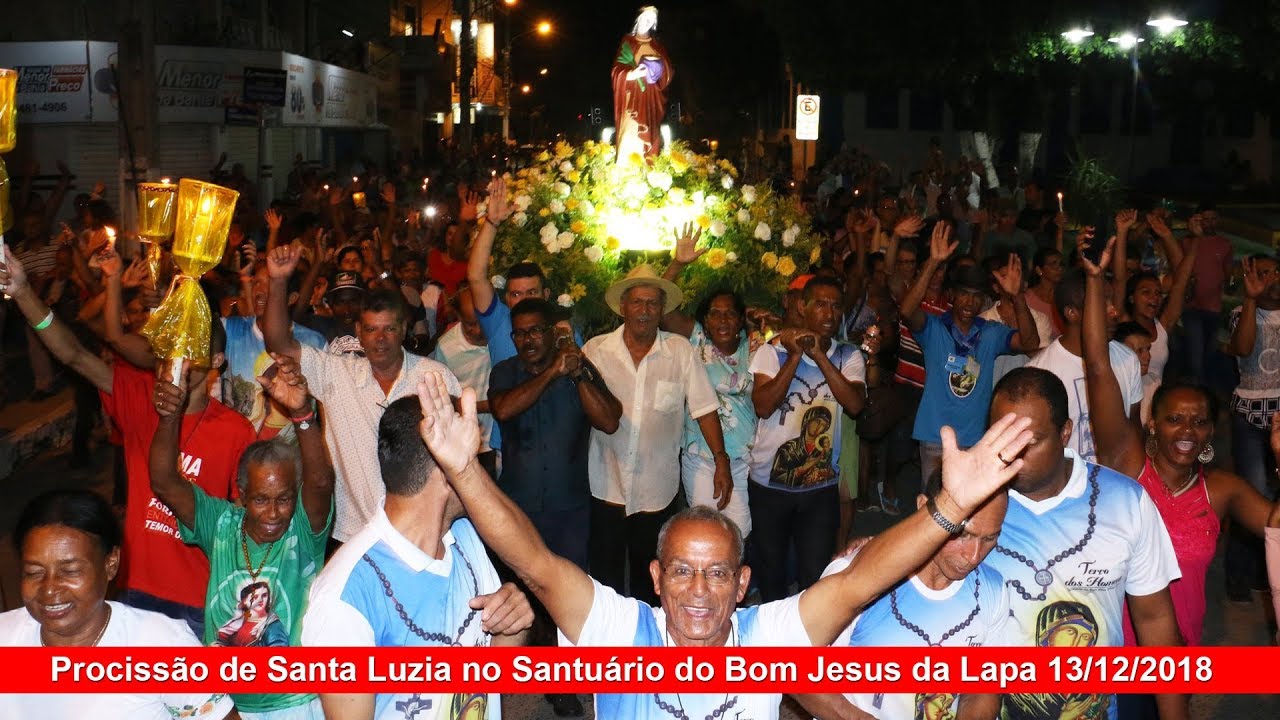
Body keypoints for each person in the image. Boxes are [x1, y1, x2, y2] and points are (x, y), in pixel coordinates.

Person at [410, 368, 1032, 720]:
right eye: (681, 571)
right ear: (654, 578)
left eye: (717, 575)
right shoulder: (620, 631)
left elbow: (858, 583)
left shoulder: (769, 640)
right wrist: (464, 473)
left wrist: (950, 510)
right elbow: (538, 566)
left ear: (742, 583)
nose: (699, 592)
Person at [0, 248, 253, 637]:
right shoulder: (140, 398)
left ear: (217, 360)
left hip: (200, 599)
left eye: (193, 353)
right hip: (134, 591)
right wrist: (22, 293)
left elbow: (243, 524)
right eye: (172, 349)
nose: (180, 362)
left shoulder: (236, 431)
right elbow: (74, 353)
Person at [1080, 237, 1280, 654]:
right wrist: (1096, 282)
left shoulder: (1221, 490)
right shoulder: (1127, 464)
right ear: (1152, 423)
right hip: (1113, 652)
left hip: (1180, 651)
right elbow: (1099, 368)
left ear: (1211, 432)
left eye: (1199, 421)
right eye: (1174, 419)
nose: (1187, 430)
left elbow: (1275, 526)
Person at [301, 395, 533, 719]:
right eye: (471, 460)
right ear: (445, 468)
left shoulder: (466, 536)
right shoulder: (345, 599)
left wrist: (513, 626)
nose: (482, 472)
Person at [984, 367, 1186, 720]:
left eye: (1029, 442)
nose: (1011, 456)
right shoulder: (971, 500)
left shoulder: (1125, 502)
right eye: (1002, 439)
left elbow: (1155, 621)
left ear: (1065, 433)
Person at [151, 352, 332, 718]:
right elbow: (164, 482)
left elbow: (322, 481)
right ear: (242, 494)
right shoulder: (221, 523)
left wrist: (303, 415)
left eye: (284, 499)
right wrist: (171, 417)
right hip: (225, 705)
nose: (274, 512)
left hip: (295, 704)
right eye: (261, 500)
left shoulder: (301, 527)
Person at [263, 243, 461, 544]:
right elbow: (279, 343)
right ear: (358, 330)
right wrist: (277, 282)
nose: (379, 339)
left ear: (404, 329)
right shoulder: (337, 373)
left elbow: (459, 459)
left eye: (389, 329)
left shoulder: (435, 378)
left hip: (422, 534)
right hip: (351, 534)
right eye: (370, 330)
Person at [488, 297, 622, 718]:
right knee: (517, 595)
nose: (527, 340)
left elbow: (610, 420)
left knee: (564, 597)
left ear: (552, 332)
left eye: (535, 331)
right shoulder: (504, 372)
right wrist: (551, 373)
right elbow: (504, 409)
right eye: (520, 333)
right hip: (517, 510)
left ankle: (562, 681)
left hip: (568, 508)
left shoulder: (577, 368)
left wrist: (577, 371)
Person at [794, 470, 1012, 720]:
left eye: (989, 538)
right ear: (923, 508)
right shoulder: (859, 578)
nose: (973, 556)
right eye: (962, 534)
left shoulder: (992, 590)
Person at [0, 490, 235, 720]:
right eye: (34, 572)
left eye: (70, 571)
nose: (49, 589)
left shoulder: (162, 648)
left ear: (111, 563)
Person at [582, 264, 731, 605]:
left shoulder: (679, 352)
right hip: (606, 485)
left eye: (652, 304)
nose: (644, 311)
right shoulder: (596, 351)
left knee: (649, 583)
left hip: (656, 491)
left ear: (662, 310)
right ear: (623, 307)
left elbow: (705, 408)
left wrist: (721, 460)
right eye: (637, 303)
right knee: (603, 583)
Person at [749, 275, 867, 600]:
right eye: (820, 304)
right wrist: (797, 355)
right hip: (768, 485)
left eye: (836, 306)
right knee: (771, 573)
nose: (829, 313)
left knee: (813, 577)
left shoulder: (848, 356)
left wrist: (821, 357)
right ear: (802, 306)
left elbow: (855, 405)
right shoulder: (772, 352)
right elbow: (763, 405)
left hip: (820, 489)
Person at [902, 224, 1038, 485]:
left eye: (977, 297)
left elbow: (1030, 342)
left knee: (968, 512)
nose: (970, 303)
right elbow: (907, 311)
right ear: (952, 295)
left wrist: (1017, 296)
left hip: (976, 439)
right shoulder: (934, 327)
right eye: (964, 294)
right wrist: (933, 262)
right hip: (934, 436)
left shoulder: (991, 332)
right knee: (934, 509)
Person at [661, 226, 757, 538]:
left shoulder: (754, 346)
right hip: (702, 455)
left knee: (740, 533)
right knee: (706, 532)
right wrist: (678, 264)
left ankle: (733, 587)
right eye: (715, 314)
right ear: (705, 320)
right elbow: (659, 308)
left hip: (745, 455)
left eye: (730, 314)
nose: (723, 320)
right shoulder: (697, 339)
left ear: (741, 319)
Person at [1025, 268, 1143, 462]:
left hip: (1114, 482)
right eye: (1103, 303)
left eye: (1112, 300)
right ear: (1072, 313)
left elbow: (1134, 428)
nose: (1114, 311)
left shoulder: (1127, 359)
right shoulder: (1038, 373)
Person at [1224, 254, 1280, 603]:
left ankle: (1267, 571)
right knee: (1253, 493)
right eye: (1260, 274)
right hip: (1249, 412)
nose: (1269, 279)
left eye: (1274, 272)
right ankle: (1239, 574)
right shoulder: (1241, 313)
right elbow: (1243, 349)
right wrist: (1249, 299)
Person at [1112, 211, 1197, 422]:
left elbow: (1181, 281)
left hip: (1155, 416)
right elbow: (1120, 278)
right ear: (1132, 298)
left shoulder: (1163, 326)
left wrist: (1171, 236)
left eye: (1158, 293)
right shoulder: (1123, 325)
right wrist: (1122, 232)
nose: (1155, 298)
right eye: (1146, 292)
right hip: (1125, 414)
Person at [431, 286, 498, 476]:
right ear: (458, 317)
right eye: (470, 324)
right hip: (474, 445)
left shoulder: (503, 336)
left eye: (483, 322)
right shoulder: (446, 348)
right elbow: (443, 399)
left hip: (507, 438)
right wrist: (487, 406)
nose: (478, 331)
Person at [1179, 206, 1233, 381]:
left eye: (1213, 219)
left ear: (1218, 220)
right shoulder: (1186, 242)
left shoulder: (1225, 244)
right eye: (1205, 219)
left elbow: (1228, 273)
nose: (1209, 223)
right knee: (1196, 352)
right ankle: (1197, 389)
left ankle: (1206, 390)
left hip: (1214, 307)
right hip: (1191, 306)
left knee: (1209, 351)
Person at [612, 5, 672, 161]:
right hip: (632, 101)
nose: (648, 21)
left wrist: (659, 68)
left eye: (652, 20)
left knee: (651, 139)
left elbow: (668, 71)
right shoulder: (628, 42)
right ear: (638, 18)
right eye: (646, 17)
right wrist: (631, 74)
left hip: (651, 101)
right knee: (630, 136)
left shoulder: (657, 46)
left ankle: (649, 174)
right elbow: (616, 70)